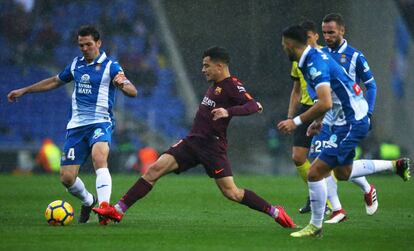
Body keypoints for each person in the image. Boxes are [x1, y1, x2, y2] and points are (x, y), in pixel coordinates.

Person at [93, 46, 295, 228]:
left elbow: (255, 106)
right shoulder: (215, 83)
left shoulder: (232, 85)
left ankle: (275, 211)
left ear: (219, 66)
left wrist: (228, 111)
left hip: (212, 147)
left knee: (232, 193)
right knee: (154, 170)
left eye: (206, 66)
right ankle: (117, 211)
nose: (203, 69)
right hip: (192, 142)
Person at [278, 25, 410, 237]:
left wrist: (296, 121)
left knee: (315, 172)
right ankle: (395, 166)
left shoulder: (314, 63)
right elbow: (330, 95)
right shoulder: (310, 58)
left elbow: (326, 101)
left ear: (291, 45)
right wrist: (319, 121)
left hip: (351, 121)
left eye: (284, 44)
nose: (283, 48)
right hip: (344, 118)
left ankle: (315, 226)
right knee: (343, 172)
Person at [7, 25, 138, 224]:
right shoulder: (76, 64)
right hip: (76, 127)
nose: (84, 48)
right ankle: (88, 200)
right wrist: (25, 90)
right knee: (67, 178)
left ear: (98, 43)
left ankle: (104, 208)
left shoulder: (111, 65)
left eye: (88, 44)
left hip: (100, 123)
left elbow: (132, 91)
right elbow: (54, 81)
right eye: (81, 45)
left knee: (99, 156)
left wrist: (123, 84)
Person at [307, 13, 379, 222]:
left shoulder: (355, 56)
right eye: (325, 33)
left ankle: (365, 188)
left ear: (342, 31)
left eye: (331, 32)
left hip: (348, 119)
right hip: (327, 117)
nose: (327, 36)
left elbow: (371, 85)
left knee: (337, 166)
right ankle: (338, 208)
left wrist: (369, 112)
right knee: (322, 159)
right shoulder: (320, 55)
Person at [286, 20, 331, 214]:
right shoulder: (298, 60)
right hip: (306, 108)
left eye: (310, 37)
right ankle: (316, 195)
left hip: (324, 108)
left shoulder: (324, 56)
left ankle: (327, 203)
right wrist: (290, 117)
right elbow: (296, 90)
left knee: (327, 160)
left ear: (315, 37)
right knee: (298, 157)